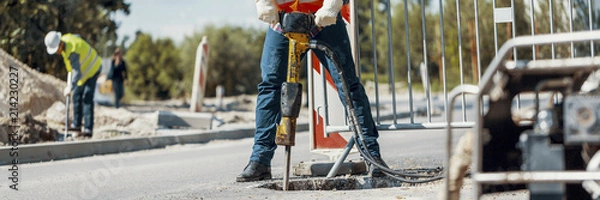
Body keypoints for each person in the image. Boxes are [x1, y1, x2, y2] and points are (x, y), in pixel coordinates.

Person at [236, 0, 386, 182]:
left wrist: (333, 5)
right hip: (283, 18)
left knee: (348, 85)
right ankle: (260, 161)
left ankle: (372, 157)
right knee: (271, 87)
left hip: (323, 16)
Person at [44, 31, 101, 137]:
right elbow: (78, 37)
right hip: (83, 73)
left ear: (60, 44)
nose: (56, 52)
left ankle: (88, 129)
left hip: (93, 68)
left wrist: (71, 86)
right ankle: (76, 125)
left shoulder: (72, 51)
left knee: (87, 97)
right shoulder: (66, 41)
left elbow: (77, 71)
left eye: (56, 49)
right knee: (76, 96)